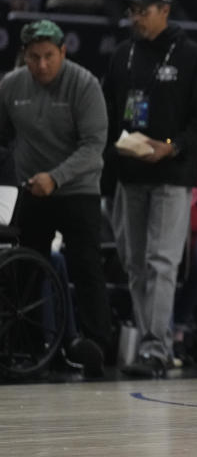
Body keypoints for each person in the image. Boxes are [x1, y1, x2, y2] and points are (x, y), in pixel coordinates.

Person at [102, 0, 197, 376]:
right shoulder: (123, 55)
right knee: (134, 263)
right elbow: (110, 112)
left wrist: (172, 145)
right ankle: (150, 342)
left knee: (161, 262)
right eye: (132, 10)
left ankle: (156, 347)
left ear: (165, 10)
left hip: (172, 175)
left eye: (144, 10)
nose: (136, 18)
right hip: (129, 175)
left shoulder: (190, 56)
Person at [0, 20, 112, 377]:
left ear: (63, 52)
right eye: (33, 57)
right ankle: (32, 349)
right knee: (27, 270)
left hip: (77, 189)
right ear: (23, 56)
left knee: (86, 267)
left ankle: (98, 349)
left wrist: (57, 177)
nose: (42, 65)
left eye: (49, 56)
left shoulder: (84, 84)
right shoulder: (10, 85)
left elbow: (94, 148)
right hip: (32, 188)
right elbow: (4, 138)